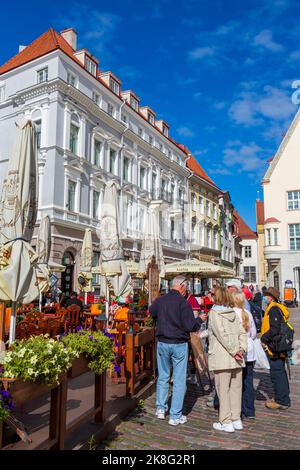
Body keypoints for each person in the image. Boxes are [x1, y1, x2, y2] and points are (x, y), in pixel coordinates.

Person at [149, 275, 202, 426]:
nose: (187, 291)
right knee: (179, 380)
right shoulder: (183, 303)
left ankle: (160, 408)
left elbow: (151, 312)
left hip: (163, 342)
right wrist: (200, 320)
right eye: (187, 288)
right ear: (182, 286)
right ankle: (175, 415)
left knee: (163, 376)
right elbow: (190, 326)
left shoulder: (161, 300)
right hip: (178, 343)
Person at [208, 286, 248, 433]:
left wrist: (235, 351)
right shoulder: (233, 312)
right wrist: (242, 349)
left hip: (223, 357)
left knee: (223, 390)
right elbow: (242, 332)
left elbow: (221, 335)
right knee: (235, 389)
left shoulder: (214, 313)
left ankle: (226, 420)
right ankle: (236, 418)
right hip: (237, 357)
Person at [261, 287, 291, 410]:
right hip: (278, 345)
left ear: (271, 297)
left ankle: (281, 401)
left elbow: (274, 329)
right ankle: (283, 397)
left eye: (266, 295)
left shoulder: (273, 309)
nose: (264, 298)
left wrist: (264, 338)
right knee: (280, 372)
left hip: (275, 347)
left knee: (277, 373)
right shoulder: (276, 307)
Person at [231, 289, 257, 419]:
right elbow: (253, 333)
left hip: (237, 350)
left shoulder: (231, 314)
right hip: (249, 350)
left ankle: (238, 410)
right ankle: (250, 410)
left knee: (236, 382)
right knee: (248, 381)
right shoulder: (247, 313)